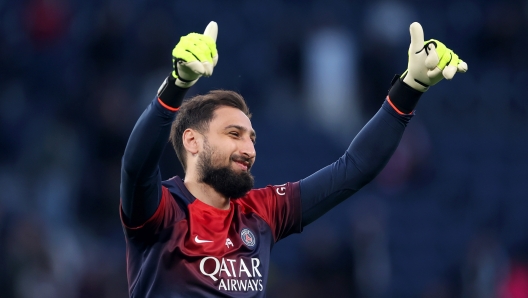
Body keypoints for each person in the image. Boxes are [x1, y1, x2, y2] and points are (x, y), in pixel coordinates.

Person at [119, 21, 467, 297]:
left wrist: (411, 87)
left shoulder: (261, 212)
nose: (249, 149)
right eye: (233, 134)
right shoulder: (162, 211)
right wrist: (178, 83)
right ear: (192, 141)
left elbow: (354, 169)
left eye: (252, 138)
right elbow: (136, 167)